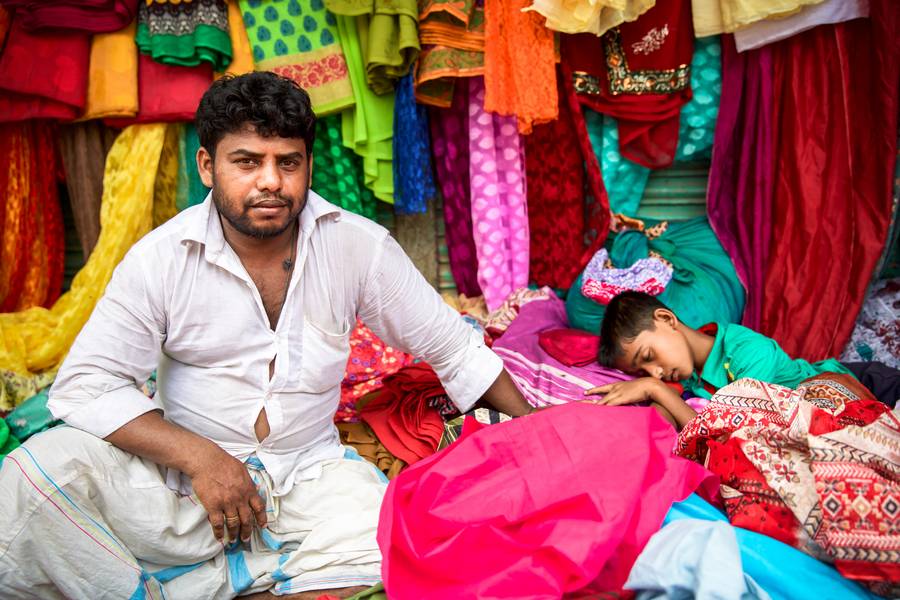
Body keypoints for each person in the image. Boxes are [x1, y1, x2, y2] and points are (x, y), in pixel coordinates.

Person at [0, 72, 533, 600]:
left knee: (392, 549)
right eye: (248, 161)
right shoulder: (161, 258)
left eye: (288, 162)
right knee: (33, 475)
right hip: (176, 488)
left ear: (307, 165)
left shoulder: (357, 246)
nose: (271, 181)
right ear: (207, 166)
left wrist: (542, 432)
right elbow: (86, 385)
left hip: (308, 478)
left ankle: (210, 589)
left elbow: (453, 346)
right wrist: (202, 458)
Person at [585, 291, 898, 427]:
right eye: (642, 371)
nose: (654, 372)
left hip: (867, 384)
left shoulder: (746, 350)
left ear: (666, 319)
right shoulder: (688, 379)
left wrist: (655, 391)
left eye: (649, 356)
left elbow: (728, 429)